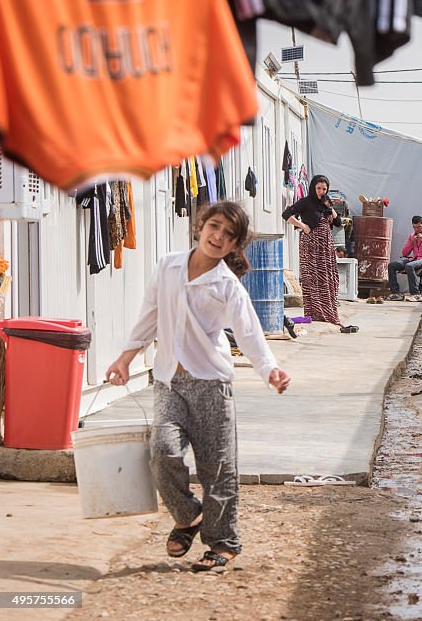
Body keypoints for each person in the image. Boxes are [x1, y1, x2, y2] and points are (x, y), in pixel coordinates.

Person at [105, 202, 291, 573]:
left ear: (236, 244)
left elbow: (249, 331)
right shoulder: (168, 265)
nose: (218, 236)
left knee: (217, 468)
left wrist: (269, 369)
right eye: (214, 226)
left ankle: (223, 542)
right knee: (163, 453)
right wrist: (125, 358)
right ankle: (189, 515)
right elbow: (150, 314)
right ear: (200, 225)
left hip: (211, 384)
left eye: (228, 235)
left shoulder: (227, 284)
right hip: (168, 382)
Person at [282, 174, 352, 330]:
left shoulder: (325, 205)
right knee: (312, 277)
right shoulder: (306, 202)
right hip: (311, 245)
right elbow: (286, 214)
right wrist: (302, 226)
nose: (321, 191)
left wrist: (330, 206)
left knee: (327, 277)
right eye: (319, 188)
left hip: (326, 246)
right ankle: (314, 312)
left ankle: (327, 312)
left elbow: (339, 222)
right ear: (313, 187)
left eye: (324, 189)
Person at [388, 215, 422, 301]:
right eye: (415, 227)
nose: (417, 229)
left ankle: (416, 294)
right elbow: (404, 253)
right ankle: (396, 293)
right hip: (414, 259)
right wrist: (411, 243)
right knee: (392, 265)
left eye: (419, 227)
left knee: (409, 266)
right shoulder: (412, 236)